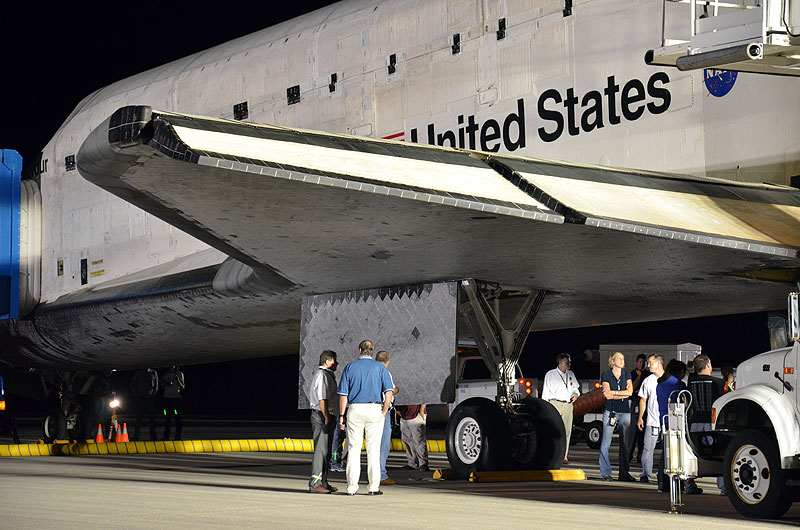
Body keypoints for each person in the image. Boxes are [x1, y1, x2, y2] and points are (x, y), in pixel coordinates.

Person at [338, 340, 394, 496]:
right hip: (375, 409)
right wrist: (383, 410)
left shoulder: (350, 367)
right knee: (373, 450)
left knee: (353, 449)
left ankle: (351, 487)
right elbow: (389, 393)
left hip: (355, 409)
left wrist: (342, 416)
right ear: (372, 351)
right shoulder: (380, 368)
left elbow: (343, 395)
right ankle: (373, 487)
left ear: (359, 350)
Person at [687, 354, 725, 495]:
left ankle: (690, 484)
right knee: (719, 453)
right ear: (708, 365)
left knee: (693, 453)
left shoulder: (691, 382)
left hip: (695, 422)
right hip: (712, 423)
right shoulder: (718, 383)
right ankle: (723, 487)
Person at [307, 350, 339, 494]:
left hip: (326, 415)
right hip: (321, 416)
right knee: (320, 451)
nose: (336, 363)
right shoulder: (322, 376)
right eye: (334, 361)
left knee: (326, 451)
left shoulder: (327, 375)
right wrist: (326, 416)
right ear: (327, 362)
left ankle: (323, 482)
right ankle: (315, 483)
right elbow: (322, 398)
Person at [599, 352, 634, 482]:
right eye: (619, 359)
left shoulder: (627, 375)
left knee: (625, 444)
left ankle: (624, 473)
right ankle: (606, 472)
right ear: (613, 361)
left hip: (625, 412)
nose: (622, 361)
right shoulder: (606, 375)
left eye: (623, 359)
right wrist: (621, 394)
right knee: (606, 443)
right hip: (611, 411)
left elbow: (629, 392)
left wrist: (614, 393)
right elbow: (606, 395)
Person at [541, 352, 580, 464]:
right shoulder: (550, 374)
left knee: (567, 431)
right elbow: (546, 392)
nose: (569, 363)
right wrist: (545, 408)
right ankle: (551, 454)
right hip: (555, 403)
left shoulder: (571, 374)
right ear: (560, 362)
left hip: (568, 405)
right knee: (554, 430)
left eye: (569, 361)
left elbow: (576, 389)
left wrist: (576, 394)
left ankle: (564, 456)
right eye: (567, 361)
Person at [656, 359, 688, 493]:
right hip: (676, 420)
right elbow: (685, 402)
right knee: (676, 453)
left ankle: (662, 482)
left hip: (663, 420)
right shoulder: (678, 384)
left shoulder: (661, 384)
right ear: (680, 372)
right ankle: (675, 483)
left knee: (666, 452)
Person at [636, 354, 664, 483]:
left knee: (668, 450)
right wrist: (641, 417)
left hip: (666, 422)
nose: (648, 365)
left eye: (650, 363)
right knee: (648, 449)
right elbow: (643, 399)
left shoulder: (668, 379)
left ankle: (664, 474)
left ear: (658, 363)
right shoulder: (648, 380)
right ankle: (645, 474)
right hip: (652, 421)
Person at [375, 350, 400, 486]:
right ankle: (381, 474)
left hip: (370, 409)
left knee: (373, 444)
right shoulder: (385, 373)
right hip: (382, 411)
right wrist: (396, 390)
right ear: (388, 362)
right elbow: (389, 391)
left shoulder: (371, 371)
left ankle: (374, 473)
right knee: (383, 444)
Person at [628, 354, 649, 463]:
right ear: (637, 362)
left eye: (643, 362)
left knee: (642, 433)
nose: (642, 364)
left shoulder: (647, 375)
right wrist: (639, 377)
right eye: (640, 362)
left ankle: (640, 456)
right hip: (635, 403)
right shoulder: (631, 374)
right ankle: (629, 455)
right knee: (633, 432)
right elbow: (632, 388)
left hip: (644, 405)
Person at [397, 403, 428, 471]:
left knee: (419, 441)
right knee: (408, 441)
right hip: (405, 415)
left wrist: (421, 411)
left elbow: (424, 397)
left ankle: (423, 464)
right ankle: (412, 463)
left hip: (416, 415)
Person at [130, 368, 158, 441]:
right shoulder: (138, 373)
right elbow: (132, 383)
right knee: (139, 417)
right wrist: (135, 393)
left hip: (150, 397)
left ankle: (153, 436)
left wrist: (154, 393)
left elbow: (156, 384)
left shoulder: (153, 373)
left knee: (151, 418)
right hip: (141, 397)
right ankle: (136, 436)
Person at [161, 366, 185, 441]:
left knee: (177, 417)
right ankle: (166, 436)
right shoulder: (165, 374)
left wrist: (178, 380)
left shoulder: (179, 374)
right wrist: (166, 382)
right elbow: (162, 385)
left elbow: (183, 386)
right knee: (167, 417)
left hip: (176, 398)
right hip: (167, 398)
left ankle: (177, 436)